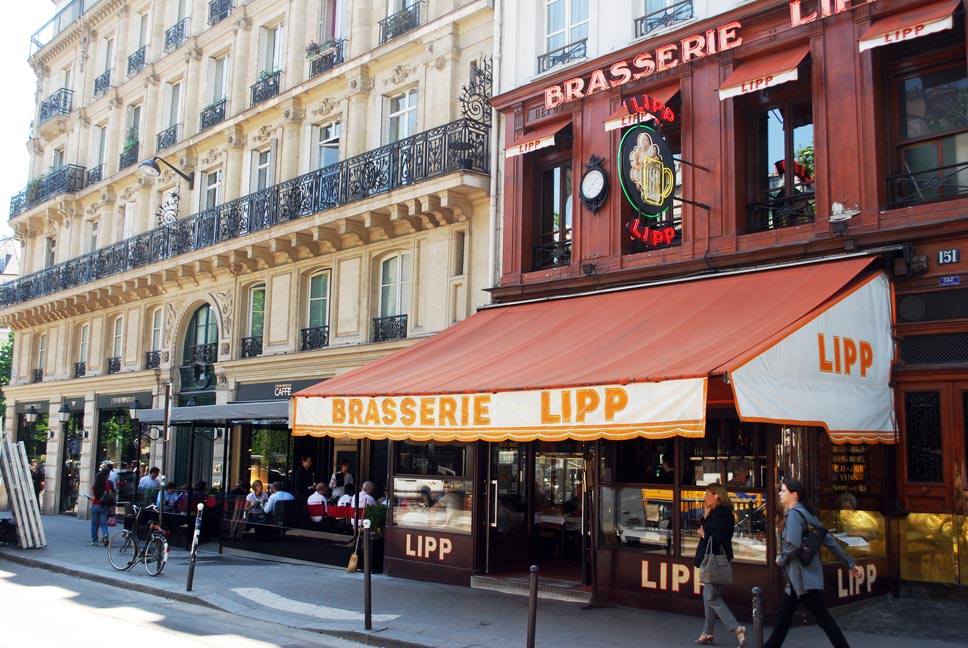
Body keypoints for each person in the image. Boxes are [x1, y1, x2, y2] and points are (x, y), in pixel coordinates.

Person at [764, 479, 862, 648]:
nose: (780, 494)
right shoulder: (807, 514)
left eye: (783, 491)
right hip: (802, 577)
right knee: (784, 617)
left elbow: (793, 544)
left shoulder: (795, 514)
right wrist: (850, 563)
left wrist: (782, 558)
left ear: (794, 495)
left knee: (820, 618)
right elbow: (828, 540)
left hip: (801, 577)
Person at [694, 483, 745, 647]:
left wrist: (703, 535)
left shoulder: (722, 514)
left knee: (711, 597)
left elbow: (716, 539)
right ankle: (707, 633)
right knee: (709, 597)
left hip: (715, 562)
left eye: (707, 493)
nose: (704, 497)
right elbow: (707, 529)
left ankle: (737, 629)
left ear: (716, 495)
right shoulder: (714, 513)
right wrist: (705, 515)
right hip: (712, 561)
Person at [90, 466, 114, 546]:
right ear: (106, 475)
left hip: (95, 505)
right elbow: (110, 495)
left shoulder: (96, 485)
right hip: (103, 506)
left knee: (94, 524)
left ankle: (94, 540)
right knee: (104, 524)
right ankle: (105, 535)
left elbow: (93, 496)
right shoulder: (108, 484)